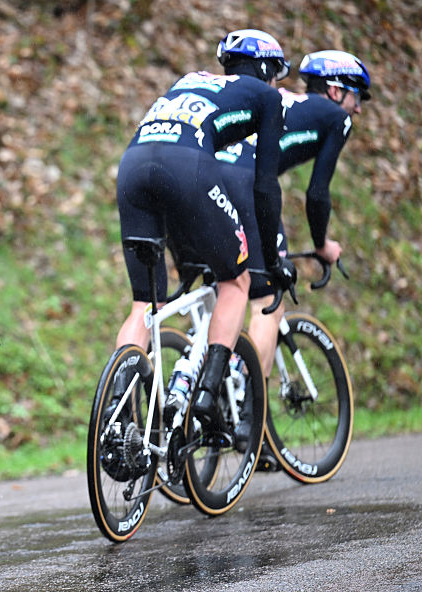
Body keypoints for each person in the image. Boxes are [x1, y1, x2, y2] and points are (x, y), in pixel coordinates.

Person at [112, 29, 296, 431]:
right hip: (187, 168)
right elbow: (265, 187)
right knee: (237, 281)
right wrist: (273, 258)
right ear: (268, 72)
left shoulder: (191, 79)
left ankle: (116, 411)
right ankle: (208, 397)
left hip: (133, 165)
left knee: (145, 304)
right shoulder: (268, 98)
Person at [216, 50, 370, 466]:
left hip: (207, 178)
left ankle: (216, 382)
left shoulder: (279, 99)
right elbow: (318, 193)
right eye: (358, 96)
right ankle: (252, 420)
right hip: (247, 183)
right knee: (268, 300)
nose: (359, 107)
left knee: (231, 288)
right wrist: (322, 245)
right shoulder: (335, 117)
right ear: (336, 91)